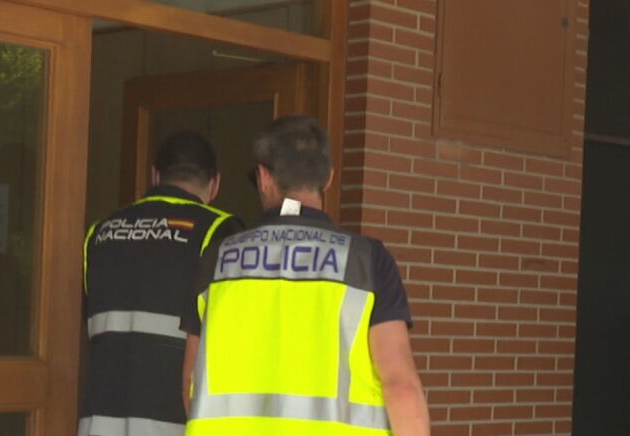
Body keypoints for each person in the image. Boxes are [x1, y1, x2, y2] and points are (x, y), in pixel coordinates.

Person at [181, 116, 430, 436]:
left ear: (263, 178)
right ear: (328, 178)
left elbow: (190, 380)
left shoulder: (217, 260)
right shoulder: (366, 260)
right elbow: (400, 387)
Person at [79, 131, 244, 436]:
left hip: (98, 425)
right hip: (172, 425)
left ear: (155, 175)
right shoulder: (219, 231)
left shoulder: (99, 233)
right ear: (215, 183)